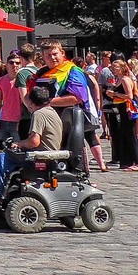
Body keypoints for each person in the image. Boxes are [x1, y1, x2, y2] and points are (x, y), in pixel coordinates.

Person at [35, 39, 98, 176]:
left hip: (69, 122)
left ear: (62, 53)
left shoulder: (73, 71)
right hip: (47, 124)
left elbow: (77, 97)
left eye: (55, 54)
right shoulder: (41, 73)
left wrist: (48, 103)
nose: (52, 58)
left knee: (72, 159)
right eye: (48, 56)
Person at [0, 83, 62, 199]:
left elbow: (34, 141)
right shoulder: (53, 112)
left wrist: (19, 144)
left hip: (41, 156)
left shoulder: (39, 114)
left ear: (32, 102)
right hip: (51, 154)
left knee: (3, 157)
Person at [101, 55, 138, 172]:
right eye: (112, 67)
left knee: (130, 135)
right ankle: (126, 161)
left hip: (127, 109)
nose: (113, 69)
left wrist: (115, 94)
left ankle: (136, 162)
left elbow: (129, 96)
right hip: (121, 109)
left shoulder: (125, 79)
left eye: (116, 67)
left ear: (122, 68)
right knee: (124, 135)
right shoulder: (119, 79)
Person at [0, 53, 25, 150]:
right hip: (4, 120)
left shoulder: (23, 80)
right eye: (11, 63)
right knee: (2, 148)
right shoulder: (1, 81)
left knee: (18, 147)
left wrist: (22, 121)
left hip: (18, 121)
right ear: (7, 65)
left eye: (17, 63)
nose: (14, 65)